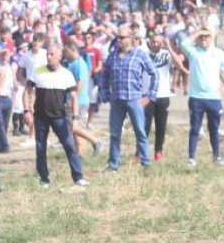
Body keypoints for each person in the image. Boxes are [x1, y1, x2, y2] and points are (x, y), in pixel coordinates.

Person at [24, 44, 89, 188]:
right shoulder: (37, 72)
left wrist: (76, 118)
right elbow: (27, 90)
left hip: (59, 117)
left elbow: (73, 97)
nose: (49, 57)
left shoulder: (66, 74)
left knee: (69, 146)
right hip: (40, 117)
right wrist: (27, 110)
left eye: (52, 54)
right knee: (41, 148)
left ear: (60, 56)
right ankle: (44, 179)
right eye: (48, 54)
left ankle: (78, 177)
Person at [100, 24, 159, 171]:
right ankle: (113, 164)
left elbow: (154, 74)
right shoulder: (112, 55)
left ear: (131, 39)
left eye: (121, 37)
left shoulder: (140, 55)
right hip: (117, 100)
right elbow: (104, 74)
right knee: (115, 133)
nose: (118, 40)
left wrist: (150, 96)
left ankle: (146, 163)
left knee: (140, 131)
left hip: (134, 99)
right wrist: (105, 92)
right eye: (117, 37)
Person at [176, 28, 224, 167]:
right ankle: (191, 159)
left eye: (207, 37)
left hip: (213, 98)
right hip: (196, 97)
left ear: (212, 38)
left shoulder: (218, 54)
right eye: (202, 37)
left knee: (214, 129)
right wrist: (198, 32)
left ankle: (217, 157)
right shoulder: (193, 52)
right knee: (195, 129)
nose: (204, 39)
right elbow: (183, 44)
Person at [63, 43, 102, 157]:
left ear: (73, 50)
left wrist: (72, 99)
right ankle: (79, 152)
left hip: (78, 101)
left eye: (66, 51)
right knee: (73, 128)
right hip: (75, 100)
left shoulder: (79, 64)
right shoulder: (72, 64)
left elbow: (79, 83)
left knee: (74, 127)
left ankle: (95, 141)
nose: (64, 54)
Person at [140, 33, 174, 162]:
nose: (156, 44)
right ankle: (141, 151)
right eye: (153, 42)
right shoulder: (144, 54)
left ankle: (158, 151)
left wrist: (169, 47)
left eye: (158, 42)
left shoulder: (167, 54)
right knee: (145, 125)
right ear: (149, 42)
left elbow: (178, 63)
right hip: (147, 95)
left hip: (163, 94)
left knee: (161, 125)